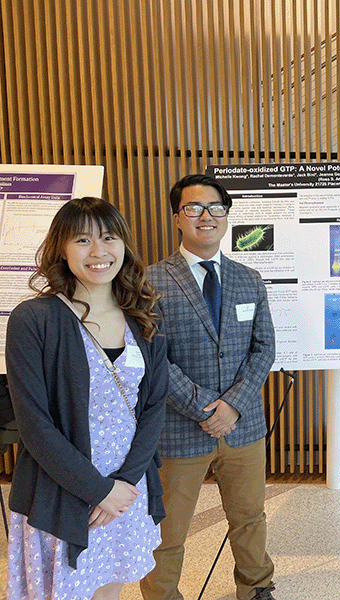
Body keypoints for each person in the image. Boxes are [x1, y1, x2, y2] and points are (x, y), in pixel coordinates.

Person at [5, 197, 167, 600]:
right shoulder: (35, 319)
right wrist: (98, 490)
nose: (98, 252)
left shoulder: (142, 314)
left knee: (108, 588)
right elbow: (34, 425)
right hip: (65, 487)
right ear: (61, 248)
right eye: (82, 240)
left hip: (127, 487)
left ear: (124, 245)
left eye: (109, 238)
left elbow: (152, 407)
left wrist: (125, 483)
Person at [140, 174, 277, 600]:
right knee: (168, 529)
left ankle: (256, 588)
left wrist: (233, 406)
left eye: (216, 208)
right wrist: (204, 408)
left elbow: (264, 347)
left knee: (249, 518)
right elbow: (151, 359)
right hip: (178, 430)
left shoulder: (248, 278)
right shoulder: (148, 282)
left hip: (243, 426)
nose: (206, 216)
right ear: (177, 218)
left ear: (227, 216)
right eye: (194, 208)